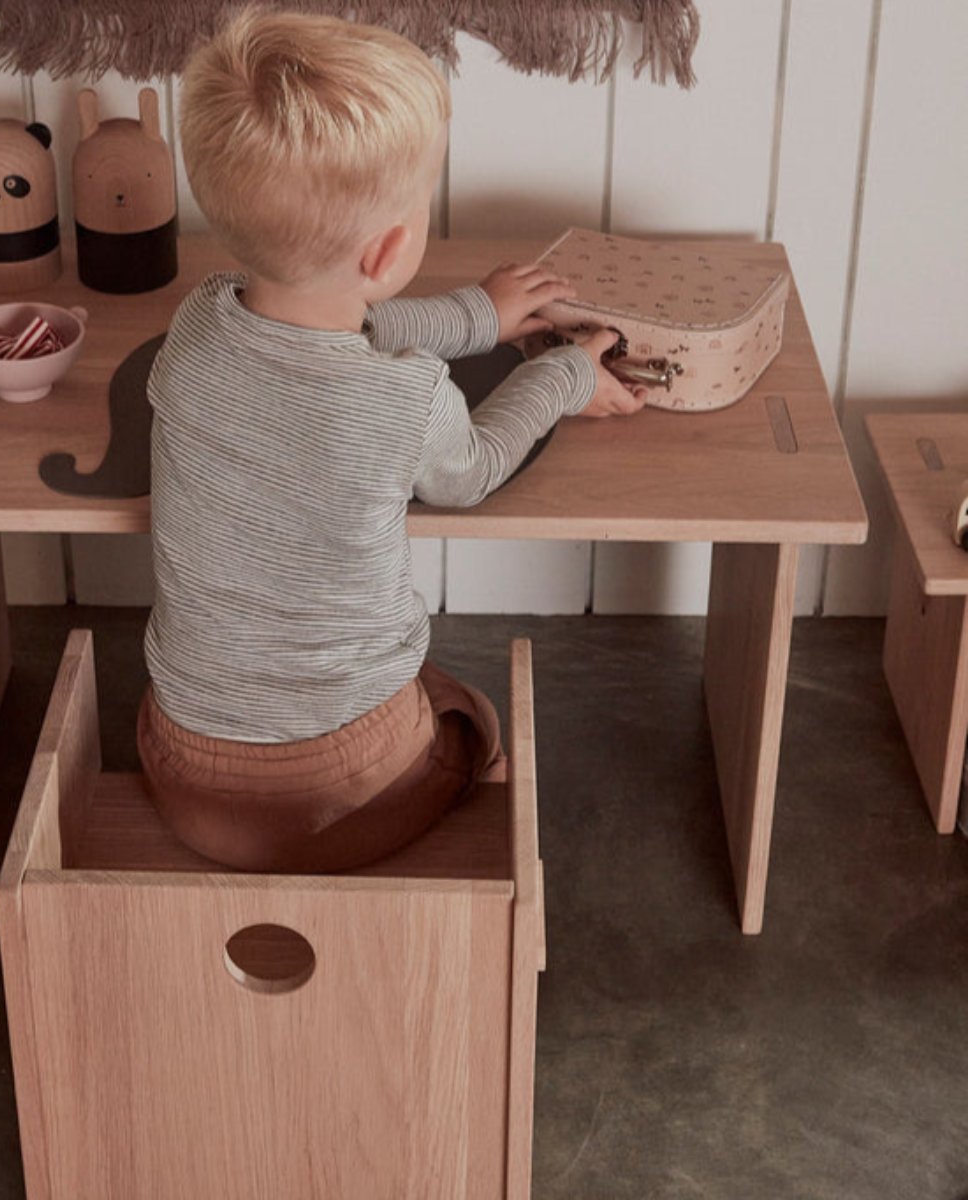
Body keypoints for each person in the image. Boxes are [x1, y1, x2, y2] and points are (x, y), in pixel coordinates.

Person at [137, 7, 644, 872]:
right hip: (331, 794)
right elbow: (470, 471)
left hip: (180, 763)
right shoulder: (403, 400)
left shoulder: (197, 323)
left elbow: (340, 324)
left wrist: (477, 315)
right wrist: (563, 378)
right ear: (393, 249)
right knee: (465, 715)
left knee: (401, 695)